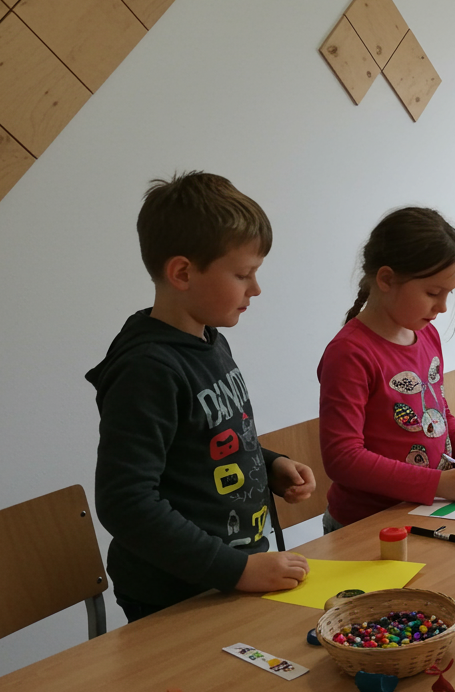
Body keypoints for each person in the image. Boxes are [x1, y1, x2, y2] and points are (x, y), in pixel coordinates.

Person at [89, 171, 316, 621]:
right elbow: (125, 502)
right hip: (177, 593)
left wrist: (270, 464)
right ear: (182, 273)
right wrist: (236, 570)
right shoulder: (147, 368)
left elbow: (207, 439)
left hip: (230, 577)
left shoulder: (209, 340)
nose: (255, 289)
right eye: (243, 274)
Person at [317, 207, 455, 533]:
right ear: (386, 279)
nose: (443, 307)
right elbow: (343, 458)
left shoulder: (426, 334)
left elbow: (438, 415)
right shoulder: (349, 353)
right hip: (365, 526)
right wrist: (437, 484)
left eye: (448, 294)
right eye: (433, 293)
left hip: (422, 511)